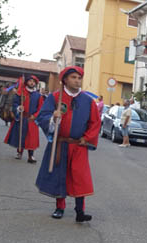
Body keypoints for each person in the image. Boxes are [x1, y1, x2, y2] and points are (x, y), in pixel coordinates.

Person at [34, 66, 101, 223]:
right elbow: (42, 116)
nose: (77, 81)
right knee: (59, 175)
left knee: (79, 177)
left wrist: (87, 137)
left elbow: (95, 123)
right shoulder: (55, 97)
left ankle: (80, 211)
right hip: (60, 144)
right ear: (65, 79)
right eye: (74, 78)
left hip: (79, 145)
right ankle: (60, 207)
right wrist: (53, 118)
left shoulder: (88, 101)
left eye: (79, 78)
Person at [3, 76, 44, 162]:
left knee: (31, 138)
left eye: (33, 82)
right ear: (26, 82)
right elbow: (15, 104)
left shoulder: (38, 95)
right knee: (20, 135)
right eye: (30, 81)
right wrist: (18, 108)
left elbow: (41, 108)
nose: (32, 83)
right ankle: (19, 153)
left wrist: (35, 116)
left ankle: (31, 156)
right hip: (22, 117)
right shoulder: (20, 93)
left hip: (32, 119)